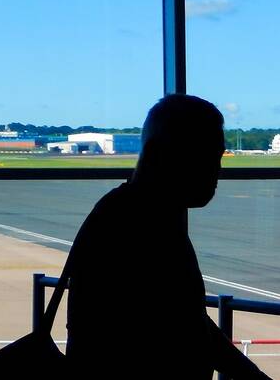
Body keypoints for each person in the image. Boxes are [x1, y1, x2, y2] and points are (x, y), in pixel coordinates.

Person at [66, 94, 271, 379]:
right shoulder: (140, 227)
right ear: (162, 154)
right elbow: (188, 330)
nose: (216, 171)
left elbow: (187, 322)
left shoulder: (125, 213)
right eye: (203, 156)